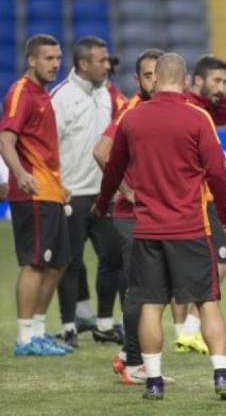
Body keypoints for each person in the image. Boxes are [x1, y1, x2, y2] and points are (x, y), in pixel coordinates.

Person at [95, 53, 226, 401]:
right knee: (208, 303)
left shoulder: (133, 118)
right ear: (187, 80)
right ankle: (220, 375)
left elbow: (113, 168)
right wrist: (225, 212)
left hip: (147, 229)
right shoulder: (198, 117)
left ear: (155, 79)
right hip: (191, 227)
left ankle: (154, 381)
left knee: (150, 304)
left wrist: (104, 203)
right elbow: (217, 171)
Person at [93, 48, 172, 385]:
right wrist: (126, 192)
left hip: (157, 214)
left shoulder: (163, 109)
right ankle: (135, 361)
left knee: (156, 288)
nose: (155, 80)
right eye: (148, 74)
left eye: (159, 73)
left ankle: (129, 353)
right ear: (138, 79)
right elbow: (101, 151)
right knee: (142, 289)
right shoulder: (133, 110)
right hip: (134, 215)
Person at [0, 34, 72, 356]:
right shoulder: (21, 92)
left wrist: (60, 184)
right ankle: (25, 337)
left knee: (57, 263)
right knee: (34, 264)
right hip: (32, 193)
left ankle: (39, 331)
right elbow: (5, 138)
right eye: (48, 58)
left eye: (57, 58)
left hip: (51, 190)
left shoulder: (42, 95)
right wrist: (19, 174)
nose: (55, 64)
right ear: (31, 60)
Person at [50, 36, 124, 348]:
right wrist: (57, 184)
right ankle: (68, 326)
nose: (108, 66)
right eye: (101, 61)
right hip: (71, 193)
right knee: (70, 261)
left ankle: (104, 325)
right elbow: (46, 147)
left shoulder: (106, 94)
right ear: (83, 64)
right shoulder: (60, 98)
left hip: (102, 193)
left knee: (112, 257)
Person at [174, 54, 226, 355]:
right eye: (216, 81)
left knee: (186, 266)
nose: (221, 87)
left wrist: (218, 96)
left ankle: (183, 331)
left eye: (224, 81)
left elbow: (223, 118)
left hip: (198, 195)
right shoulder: (188, 109)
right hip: (199, 196)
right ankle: (188, 330)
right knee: (219, 266)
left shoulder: (206, 105)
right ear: (197, 80)